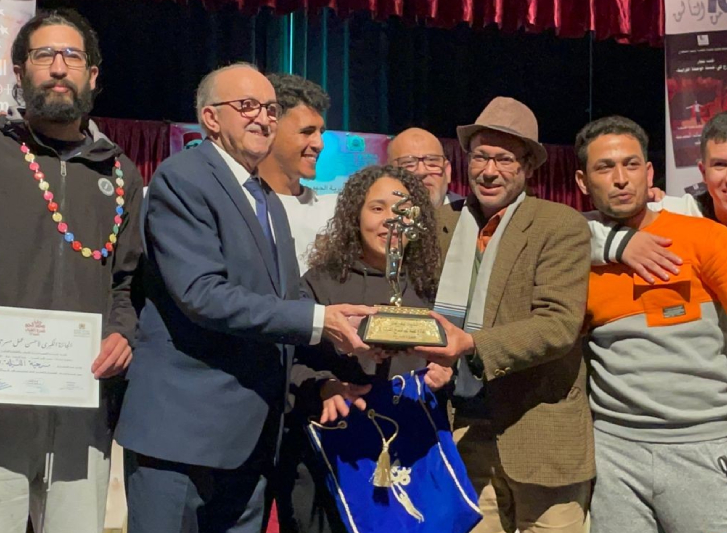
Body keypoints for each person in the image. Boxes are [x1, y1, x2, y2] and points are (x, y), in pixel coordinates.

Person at [115, 63, 373, 533]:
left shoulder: (266, 199)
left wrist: (352, 337)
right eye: (248, 106)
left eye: (271, 109)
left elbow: (284, 300)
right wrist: (320, 320)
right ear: (211, 118)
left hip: (252, 442)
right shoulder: (183, 178)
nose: (264, 118)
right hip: (184, 437)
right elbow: (201, 294)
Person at [574, 115, 727, 533]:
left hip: (700, 449)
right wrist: (615, 243)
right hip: (613, 453)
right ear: (583, 181)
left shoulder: (705, 237)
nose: (620, 178)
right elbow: (540, 231)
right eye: (605, 167)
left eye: (631, 164)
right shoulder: (573, 249)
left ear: (649, 173)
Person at [414, 97, 594, 533]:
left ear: (528, 166)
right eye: (480, 157)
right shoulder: (439, 224)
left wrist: (470, 344)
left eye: (504, 159)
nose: (489, 171)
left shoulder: (559, 224)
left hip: (540, 438)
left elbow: (558, 325)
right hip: (460, 433)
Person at [0, 10, 143, 533]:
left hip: (83, 401)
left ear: (93, 75)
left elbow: (127, 281)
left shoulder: (121, 173)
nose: (59, 68)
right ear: (20, 72)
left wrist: (121, 333)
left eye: (72, 56)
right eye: (44, 55)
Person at [281, 164, 453, 532]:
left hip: (410, 453)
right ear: (354, 216)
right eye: (377, 208)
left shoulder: (431, 287)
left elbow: (458, 356)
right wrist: (324, 386)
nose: (390, 220)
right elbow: (285, 360)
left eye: (402, 210)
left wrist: (445, 371)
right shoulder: (320, 283)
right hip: (331, 453)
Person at [258, 73, 337, 275]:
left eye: (320, 133)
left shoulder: (334, 211)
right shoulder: (239, 206)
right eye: (307, 132)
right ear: (269, 129)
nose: (319, 144)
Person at [387, 127, 463, 208]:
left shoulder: (468, 213)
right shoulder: (381, 214)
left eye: (432, 163)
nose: (421, 172)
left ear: (447, 172)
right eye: (409, 164)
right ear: (389, 174)